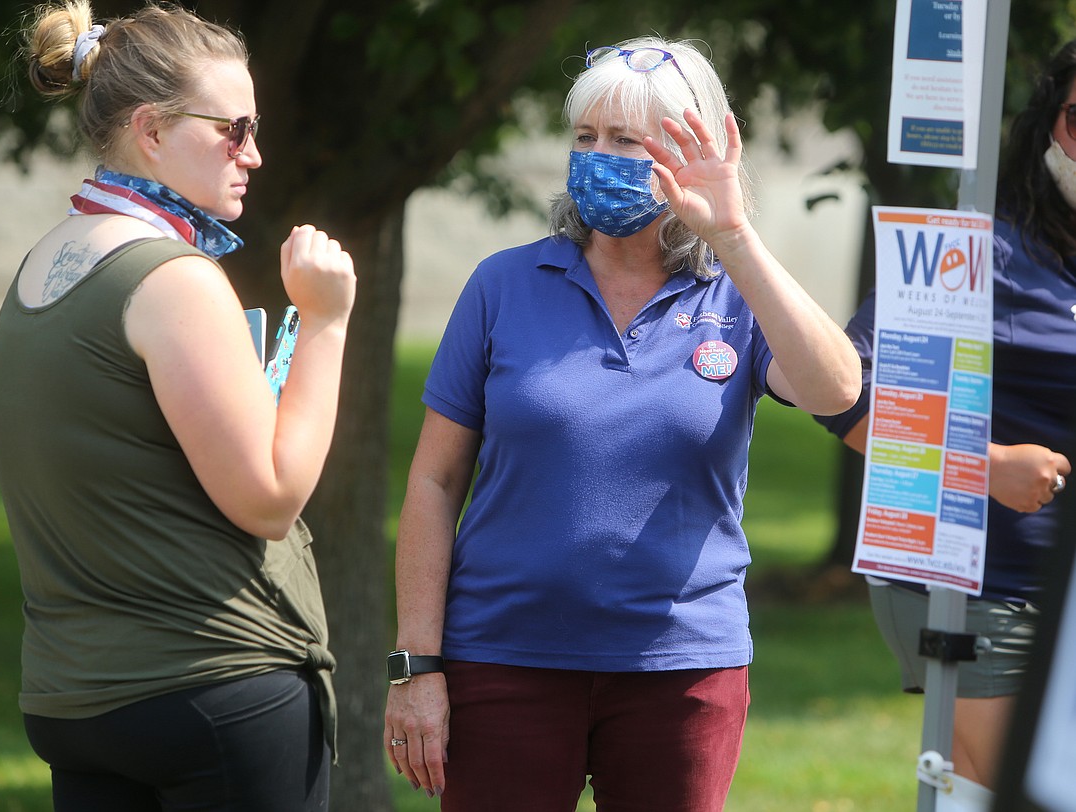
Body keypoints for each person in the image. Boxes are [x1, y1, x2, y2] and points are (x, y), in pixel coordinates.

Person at [382, 36, 860, 811]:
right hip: (504, 662)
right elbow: (433, 483)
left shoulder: (736, 297)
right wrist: (417, 666)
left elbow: (837, 391)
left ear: (688, 150)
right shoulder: (502, 285)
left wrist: (734, 237)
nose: (596, 157)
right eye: (584, 137)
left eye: (624, 141)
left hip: (681, 674)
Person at [0, 2, 356, 810]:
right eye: (233, 130)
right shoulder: (174, 279)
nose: (254, 154)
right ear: (151, 130)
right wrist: (325, 322)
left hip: (76, 698)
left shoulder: (44, 264)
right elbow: (269, 495)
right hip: (212, 687)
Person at [814, 41, 1076, 792]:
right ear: (1047, 124)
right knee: (1017, 795)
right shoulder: (979, 250)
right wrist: (984, 466)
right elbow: (839, 389)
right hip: (989, 589)